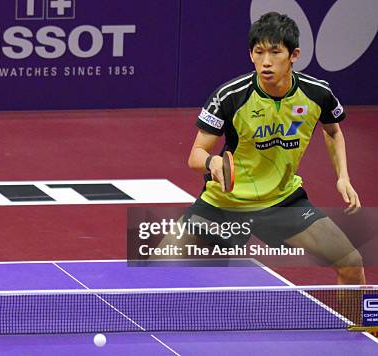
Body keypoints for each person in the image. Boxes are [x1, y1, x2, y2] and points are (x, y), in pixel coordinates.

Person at [154, 12, 364, 285]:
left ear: (294, 55)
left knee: (351, 263)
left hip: (282, 201)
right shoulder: (230, 96)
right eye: (259, 52)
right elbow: (196, 155)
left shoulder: (317, 93)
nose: (266, 61)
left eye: (275, 52)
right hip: (225, 203)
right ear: (251, 55)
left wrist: (343, 176)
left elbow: (333, 131)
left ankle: (361, 329)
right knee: (157, 268)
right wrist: (212, 163)